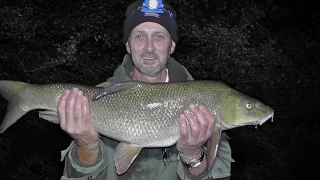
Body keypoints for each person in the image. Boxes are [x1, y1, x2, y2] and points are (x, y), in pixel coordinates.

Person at [58, 0, 233, 179]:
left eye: (159, 37)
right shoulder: (94, 99)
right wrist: (87, 147)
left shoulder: (203, 104)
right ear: (128, 45)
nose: (149, 47)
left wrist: (193, 156)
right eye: (140, 36)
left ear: (171, 45)